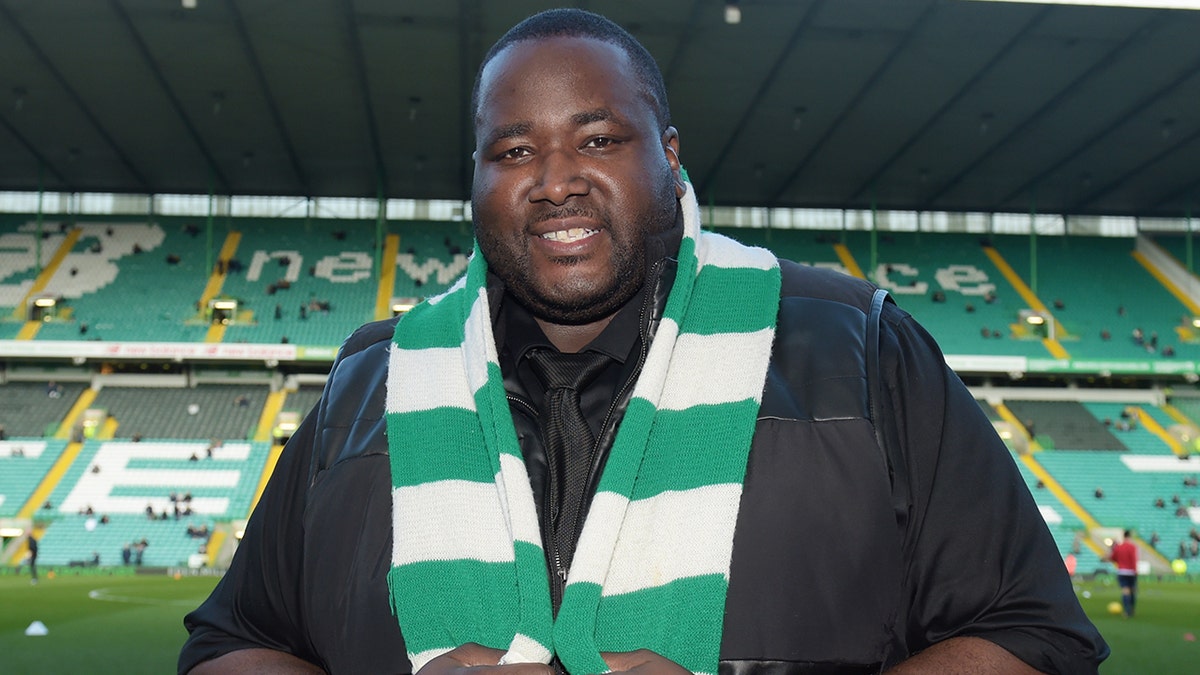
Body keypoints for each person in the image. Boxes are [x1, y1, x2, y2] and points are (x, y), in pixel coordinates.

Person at [180, 8, 1107, 675]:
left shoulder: (861, 351)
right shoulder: (368, 384)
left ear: (668, 153)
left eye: (596, 139)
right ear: (473, 178)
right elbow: (231, 643)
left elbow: (1035, 635)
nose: (552, 181)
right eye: (512, 151)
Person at [1109, 530, 1138, 618]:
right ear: (1130, 536)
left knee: (1125, 590)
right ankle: (1132, 609)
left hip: (1122, 571)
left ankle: (1126, 611)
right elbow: (1133, 559)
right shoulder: (1132, 547)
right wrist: (1135, 570)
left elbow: (1113, 558)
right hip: (1131, 571)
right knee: (1133, 590)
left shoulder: (1119, 547)